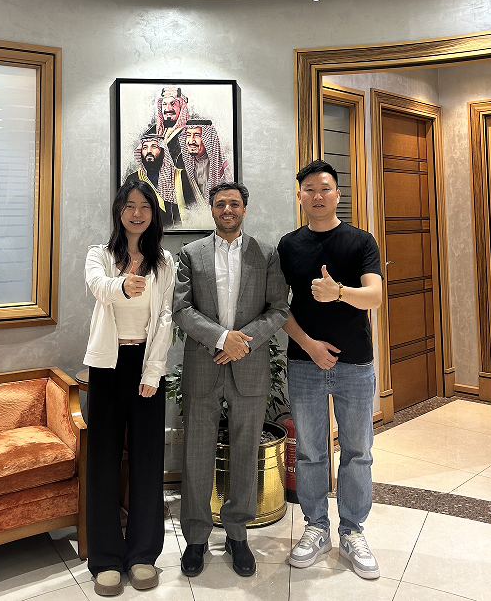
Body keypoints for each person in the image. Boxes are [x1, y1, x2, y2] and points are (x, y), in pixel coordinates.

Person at [173, 182, 289, 578]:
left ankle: (238, 534)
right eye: (220, 203)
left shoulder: (266, 254)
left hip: (249, 365)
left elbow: (279, 309)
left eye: (234, 204)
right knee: (196, 453)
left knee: (245, 451)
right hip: (203, 365)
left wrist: (243, 343)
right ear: (211, 209)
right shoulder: (191, 253)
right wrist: (223, 338)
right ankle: (196, 538)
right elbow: (181, 309)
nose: (227, 209)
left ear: (244, 209)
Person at [278, 159, 383, 580]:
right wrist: (310, 345)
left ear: (338, 194)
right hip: (305, 361)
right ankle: (316, 527)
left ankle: (353, 530)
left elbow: (374, 296)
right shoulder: (289, 245)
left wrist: (338, 291)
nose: (317, 195)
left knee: (358, 450)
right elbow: (278, 308)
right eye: (309, 189)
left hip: (355, 363)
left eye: (325, 188)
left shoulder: (360, 241)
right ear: (299, 196)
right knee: (310, 450)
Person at [83, 180, 175, 596]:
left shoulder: (164, 261)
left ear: (154, 214)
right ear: (119, 210)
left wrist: (153, 373)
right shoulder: (99, 255)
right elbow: (98, 287)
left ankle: (142, 554)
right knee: (102, 459)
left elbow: (165, 317)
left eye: (145, 207)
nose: (137, 213)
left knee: (147, 459)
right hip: (107, 364)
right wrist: (122, 285)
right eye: (130, 205)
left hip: (145, 364)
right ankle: (105, 557)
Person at [179, 119, 231, 206]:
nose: (191, 141)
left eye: (197, 135)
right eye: (188, 135)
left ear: (208, 138)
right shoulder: (180, 164)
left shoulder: (222, 165)